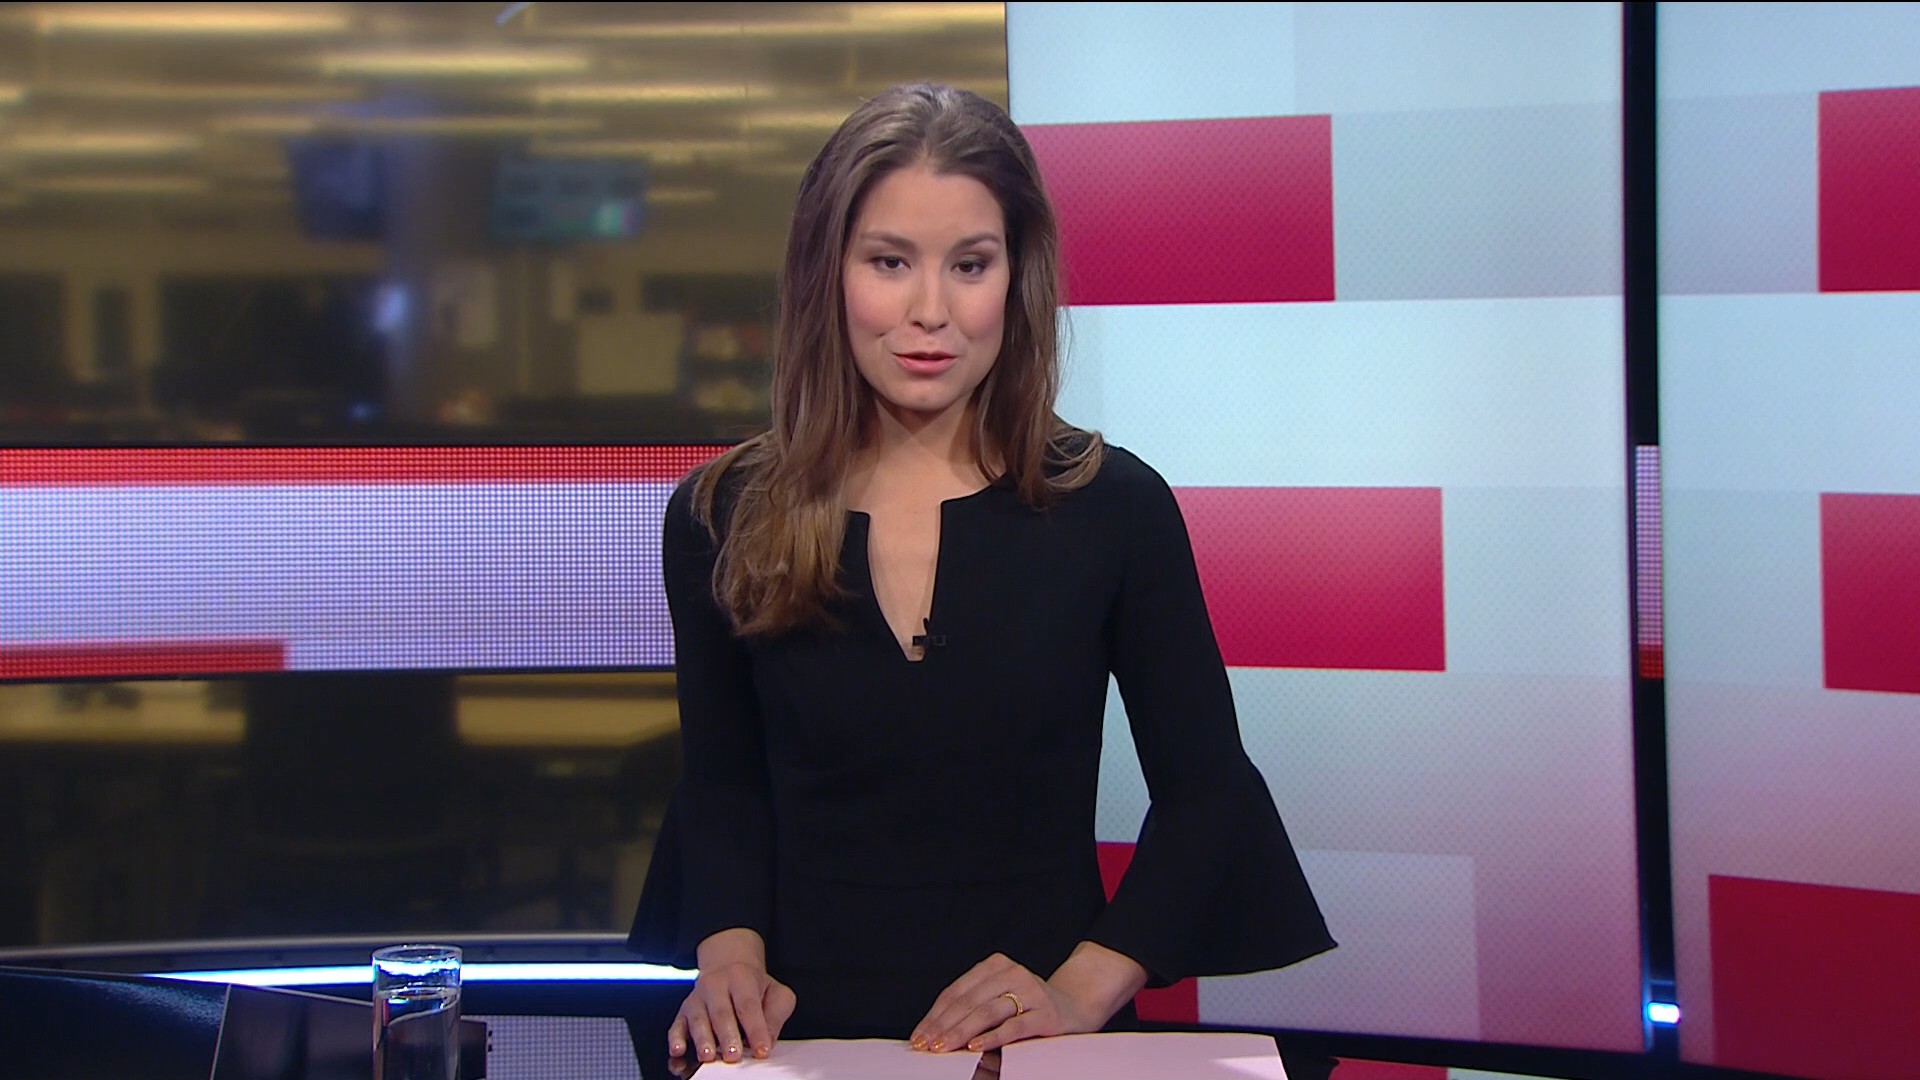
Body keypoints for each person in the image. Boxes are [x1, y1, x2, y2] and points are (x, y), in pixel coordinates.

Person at [628, 83, 1334, 1065]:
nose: (931, 311)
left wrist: (1078, 993)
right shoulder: (722, 517)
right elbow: (724, 785)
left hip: (1038, 1038)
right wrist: (731, 958)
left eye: (969, 265)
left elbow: (1208, 794)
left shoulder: (1114, 507)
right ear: (827, 273)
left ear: (1016, 276)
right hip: (798, 1043)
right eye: (889, 262)